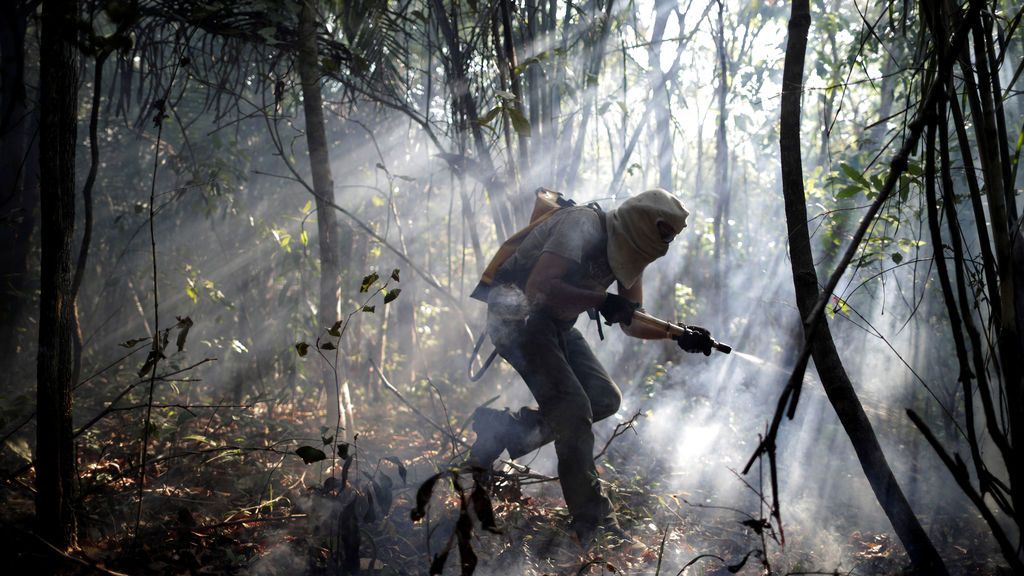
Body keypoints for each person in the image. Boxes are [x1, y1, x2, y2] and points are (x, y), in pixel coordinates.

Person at [468, 188, 713, 545]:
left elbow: (631, 320)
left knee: (603, 398)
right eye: (664, 232)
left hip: (554, 324)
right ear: (642, 221)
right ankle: (594, 524)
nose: (666, 242)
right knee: (572, 409)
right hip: (517, 318)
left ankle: (506, 431)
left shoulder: (631, 255)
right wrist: (601, 300)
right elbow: (538, 288)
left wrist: (678, 336)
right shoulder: (582, 224)